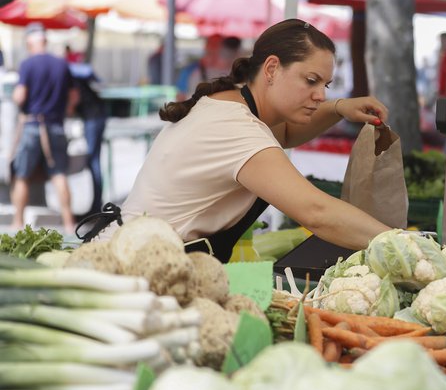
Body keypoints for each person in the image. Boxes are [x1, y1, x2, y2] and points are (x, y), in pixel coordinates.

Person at [87, 19, 393, 262]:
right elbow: (317, 212)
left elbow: (283, 133)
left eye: (326, 85)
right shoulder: (236, 128)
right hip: (131, 266)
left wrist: (339, 108)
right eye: (310, 81)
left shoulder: (229, 101)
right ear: (272, 68)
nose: (321, 95)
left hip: (135, 253)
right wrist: (401, 242)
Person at [11, 23, 78, 234]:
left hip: (32, 125)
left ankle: (17, 222)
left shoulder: (27, 64)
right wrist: (63, 112)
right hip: (56, 125)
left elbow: (20, 96)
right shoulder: (62, 64)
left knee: (22, 175)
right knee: (59, 174)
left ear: (30, 42)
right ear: (45, 40)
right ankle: (69, 224)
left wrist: (15, 99)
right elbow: (74, 97)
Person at [68, 62, 108, 217]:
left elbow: (74, 98)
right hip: (95, 115)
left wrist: (67, 112)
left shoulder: (67, 75)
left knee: (93, 161)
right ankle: (96, 205)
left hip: (93, 117)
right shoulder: (69, 72)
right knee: (94, 161)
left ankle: (96, 206)